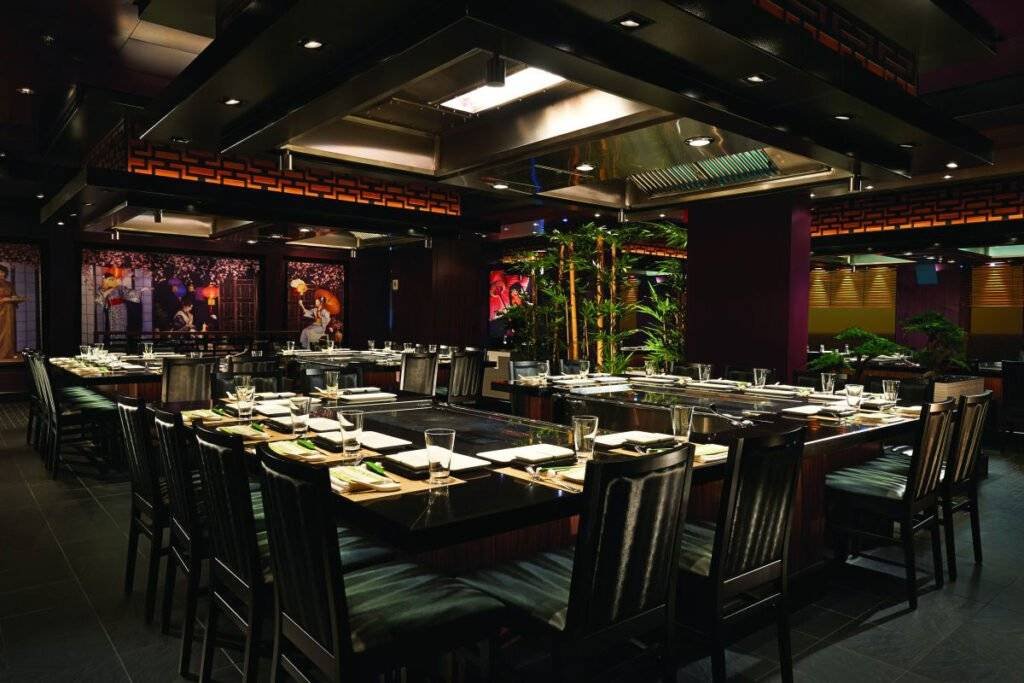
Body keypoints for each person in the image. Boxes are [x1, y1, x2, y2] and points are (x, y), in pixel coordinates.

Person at [0, 265, 27, 359]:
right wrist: (3, 299)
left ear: (5, 273)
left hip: (9, 310)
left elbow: (14, 296)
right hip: (1, 309)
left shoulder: (9, 284)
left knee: (9, 331)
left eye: (3, 272)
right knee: (1, 330)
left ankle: (9, 352)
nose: (1, 274)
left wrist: (19, 298)